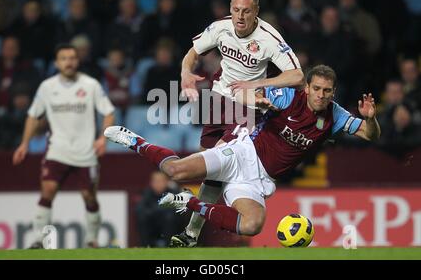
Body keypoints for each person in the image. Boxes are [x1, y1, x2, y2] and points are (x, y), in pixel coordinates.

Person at [104, 65, 380, 240]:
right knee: (175, 170)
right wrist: (257, 100)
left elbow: (370, 135)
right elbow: (247, 93)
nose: (321, 95)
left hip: (258, 181)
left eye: (327, 91)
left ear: (333, 92)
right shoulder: (288, 97)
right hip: (242, 152)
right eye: (316, 89)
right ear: (307, 87)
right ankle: (134, 140)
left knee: (253, 225)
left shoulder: (336, 115)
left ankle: (186, 202)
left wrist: (370, 119)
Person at [177, 0, 304, 247]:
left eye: (246, 11)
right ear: (230, 8)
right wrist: (185, 73)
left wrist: (260, 86)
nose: (240, 17)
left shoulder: (269, 38)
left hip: (247, 107)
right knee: (210, 173)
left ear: (256, 11)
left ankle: (193, 231)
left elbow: (297, 76)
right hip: (218, 98)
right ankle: (193, 232)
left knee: (216, 163)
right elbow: (193, 52)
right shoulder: (220, 27)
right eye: (235, 10)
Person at [12, 44, 115, 249]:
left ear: (78, 61)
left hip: (86, 152)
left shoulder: (90, 85)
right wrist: (24, 143)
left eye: (72, 58)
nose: (69, 62)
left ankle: (91, 240)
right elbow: (33, 115)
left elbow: (109, 112)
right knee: (48, 191)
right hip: (57, 150)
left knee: (89, 196)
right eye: (64, 58)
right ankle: (39, 241)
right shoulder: (47, 87)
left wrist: (103, 139)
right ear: (57, 63)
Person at [135, 171, 184, 247]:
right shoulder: (147, 193)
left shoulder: (174, 192)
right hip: (153, 225)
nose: (157, 184)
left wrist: (155, 210)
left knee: (169, 218)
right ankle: (145, 246)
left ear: (167, 182)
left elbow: (176, 210)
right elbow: (140, 209)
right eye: (155, 181)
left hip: (171, 227)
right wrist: (156, 210)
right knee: (142, 218)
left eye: (160, 181)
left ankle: (170, 246)